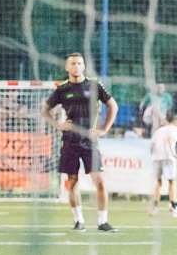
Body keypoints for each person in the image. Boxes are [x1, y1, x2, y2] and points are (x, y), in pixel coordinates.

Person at [41, 52, 119, 232]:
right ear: (67, 67)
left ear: (84, 66)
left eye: (79, 63)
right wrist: (58, 124)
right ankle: (79, 221)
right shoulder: (62, 89)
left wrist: (103, 129)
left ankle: (103, 222)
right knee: (72, 181)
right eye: (73, 63)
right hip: (69, 141)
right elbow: (45, 110)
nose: (76, 66)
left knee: (100, 181)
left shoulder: (94, 85)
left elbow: (113, 105)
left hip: (89, 141)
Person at [149, 114, 177, 218]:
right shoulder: (175, 129)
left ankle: (154, 206)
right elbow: (169, 139)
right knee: (172, 181)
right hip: (168, 157)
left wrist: (153, 156)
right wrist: (174, 154)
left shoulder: (158, 131)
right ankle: (174, 206)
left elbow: (152, 145)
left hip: (156, 158)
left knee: (158, 182)